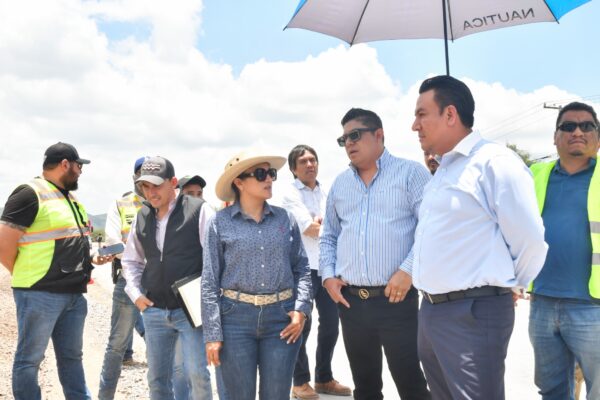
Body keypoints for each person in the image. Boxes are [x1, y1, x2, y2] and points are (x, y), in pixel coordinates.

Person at [409, 75, 548, 400]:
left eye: (421, 114)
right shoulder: (444, 170)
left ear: (450, 115)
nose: (414, 125)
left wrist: (508, 283)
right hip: (432, 311)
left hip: (472, 313)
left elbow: (530, 240)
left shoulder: (494, 163)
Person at [320, 108, 431, 400]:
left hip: (397, 300)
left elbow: (430, 228)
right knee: (366, 387)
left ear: (379, 134)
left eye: (355, 135)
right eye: (343, 139)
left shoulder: (410, 174)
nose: (349, 143)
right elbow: (329, 235)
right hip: (352, 303)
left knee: (411, 384)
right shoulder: (340, 184)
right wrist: (328, 276)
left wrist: (408, 269)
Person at [0, 142, 112, 400]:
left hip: (73, 294)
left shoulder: (69, 199)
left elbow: (72, 241)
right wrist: (25, 274)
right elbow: (4, 242)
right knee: (30, 359)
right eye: (78, 166)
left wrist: (93, 258)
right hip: (39, 293)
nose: (80, 172)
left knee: (72, 357)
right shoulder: (29, 193)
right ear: (65, 164)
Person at [202, 150, 312, 400]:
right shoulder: (219, 223)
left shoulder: (285, 219)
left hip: (281, 320)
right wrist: (213, 334)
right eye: (261, 174)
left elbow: (302, 269)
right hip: (234, 321)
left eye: (271, 173)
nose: (269, 179)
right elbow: (209, 282)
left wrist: (301, 310)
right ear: (239, 183)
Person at [121, 156, 217, 399]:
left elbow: (215, 260)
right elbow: (131, 261)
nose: (151, 192)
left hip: (191, 312)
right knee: (157, 379)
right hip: (154, 311)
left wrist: (208, 302)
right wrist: (136, 295)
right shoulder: (141, 217)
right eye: (145, 186)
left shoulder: (199, 210)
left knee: (197, 375)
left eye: (156, 185)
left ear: (173, 183)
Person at [528, 101, 600, 400]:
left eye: (587, 126)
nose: (577, 132)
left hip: (592, 306)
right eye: (568, 126)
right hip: (542, 302)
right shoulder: (534, 175)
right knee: (552, 390)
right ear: (555, 137)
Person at [282, 145, 351, 399]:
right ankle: (300, 382)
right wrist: (327, 227)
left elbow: (337, 222)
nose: (310, 164)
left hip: (327, 268)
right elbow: (310, 228)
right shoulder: (290, 194)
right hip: (301, 268)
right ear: (293, 168)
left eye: (313, 159)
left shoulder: (327, 192)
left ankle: (324, 378)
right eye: (303, 161)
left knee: (332, 324)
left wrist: (326, 225)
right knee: (302, 324)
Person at [98, 157, 148, 399]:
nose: (147, 178)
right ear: (134, 176)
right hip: (128, 280)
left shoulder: (169, 203)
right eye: (142, 173)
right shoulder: (121, 204)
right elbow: (111, 241)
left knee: (167, 344)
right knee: (117, 343)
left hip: (164, 282)